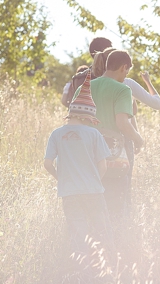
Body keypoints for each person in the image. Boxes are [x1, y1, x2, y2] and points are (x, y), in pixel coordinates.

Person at [44, 78, 113, 270]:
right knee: (102, 230)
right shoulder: (94, 134)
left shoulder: (57, 134)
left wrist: (62, 179)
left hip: (69, 192)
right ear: (88, 117)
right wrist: (94, 182)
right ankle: (108, 267)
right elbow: (104, 165)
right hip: (93, 191)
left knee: (78, 232)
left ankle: (81, 271)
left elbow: (47, 163)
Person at [90, 49, 143, 235]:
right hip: (114, 154)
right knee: (118, 200)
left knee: (93, 200)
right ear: (123, 68)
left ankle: (94, 241)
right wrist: (139, 139)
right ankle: (117, 243)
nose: (126, 75)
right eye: (127, 71)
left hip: (89, 154)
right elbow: (122, 123)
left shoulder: (87, 86)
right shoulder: (123, 90)